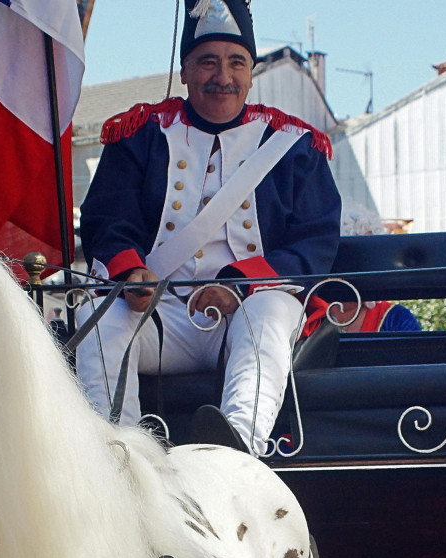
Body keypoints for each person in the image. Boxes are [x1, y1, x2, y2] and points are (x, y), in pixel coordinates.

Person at [77, 0, 341, 454]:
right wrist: (131, 272)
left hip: (246, 310)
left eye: (236, 63)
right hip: (161, 314)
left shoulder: (295, 148)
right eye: (208, 62)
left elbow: (313, 241)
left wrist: (239, 286)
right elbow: (107, 217)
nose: (223, 76)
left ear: (251, 73)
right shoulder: (141, 135)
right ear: (184, 71)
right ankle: (122, 458)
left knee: (270, 314)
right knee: (98, 318)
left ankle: (236, 455)